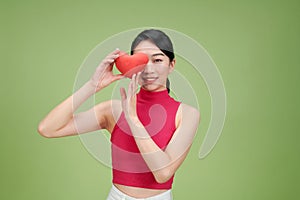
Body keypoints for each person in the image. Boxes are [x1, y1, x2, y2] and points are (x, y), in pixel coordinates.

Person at [38, 29, 200, 200]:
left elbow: (162, 173)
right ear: (132, 65)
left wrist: (134, 120)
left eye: (158, 60)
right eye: (142, 61)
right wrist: (93, 85)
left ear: (171, 65)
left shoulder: (187, 114)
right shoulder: (114, 110)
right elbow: (48, 128)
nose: (149, 69)